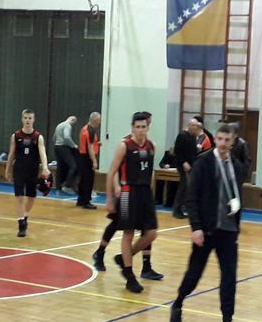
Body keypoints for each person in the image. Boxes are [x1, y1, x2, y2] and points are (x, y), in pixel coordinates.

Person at [169, 123, 246, 322]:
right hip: (206, 230)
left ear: (233, 141)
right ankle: (178, 303)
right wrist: (196, 227)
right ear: (215, 140)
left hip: (228, 231)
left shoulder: (236, 166)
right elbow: (192, 197)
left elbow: (237, 194)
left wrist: (237, 216)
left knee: (229, 277)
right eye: (219, 139)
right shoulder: (203, 162)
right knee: (194, 274)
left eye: (227, 140)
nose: (222, 143)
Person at [91, 113, 162, 281]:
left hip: (144, 193)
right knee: (119, 226)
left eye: (144, 126)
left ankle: (133, 261)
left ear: (148, 127)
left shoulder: (151, 146)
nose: (141, 129)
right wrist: (113, 192)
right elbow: (113, 170)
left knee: (150, 232)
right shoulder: (125, 145)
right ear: (132, 127)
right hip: (127, 192)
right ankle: (105, 256)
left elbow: (149, 171)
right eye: (138, 127)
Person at [4, 109, 50, 238]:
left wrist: (45, 167)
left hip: (32, 170)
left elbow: (42, 153)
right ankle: (21, 224)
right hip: (19, 169)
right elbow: (11, 154)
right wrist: (7, 169)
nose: (27, 120)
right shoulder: (16, 136)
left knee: (31, 197)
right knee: (19, 197)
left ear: (33, 120)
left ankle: (25, 216)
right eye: (25, 118)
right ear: (22, 119)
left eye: (30, 118)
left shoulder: (38, 137)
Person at [171, 118, 203, 219]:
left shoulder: (193, 137)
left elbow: (191, 151)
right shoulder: (182, 135)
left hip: (191, 164)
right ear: (189, 126)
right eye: (193, 125)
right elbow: (177, 151)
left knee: (188, 187)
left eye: (196, 126)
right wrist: (183, 162)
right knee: (184, 185)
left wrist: (197, 149)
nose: (195, 128)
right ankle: (177, 209)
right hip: (183, 165)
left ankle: (184, 208)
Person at [76, 112, 102, 209]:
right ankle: (86, 202)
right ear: (95, 120)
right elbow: (90, 148)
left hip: (82, 157)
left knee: (83, 179)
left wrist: (97, 144)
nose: (100, 122)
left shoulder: (85, 128)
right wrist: (94, 161)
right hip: (87, 158)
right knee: (88, 180)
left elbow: (89, 143)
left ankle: (80, 200)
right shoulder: (90, 131)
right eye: (99, 120)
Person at [52, 115, 79, 194]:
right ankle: (67, 185)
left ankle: (58, 188)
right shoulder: (68, 125)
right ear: (72, 120)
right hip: (63, 147)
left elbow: (54, 138)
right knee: (73, 166)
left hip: (57, 147)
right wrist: (74, 145)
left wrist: (58, 143)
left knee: (60, 167)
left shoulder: (59, 125)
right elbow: (67, 137)